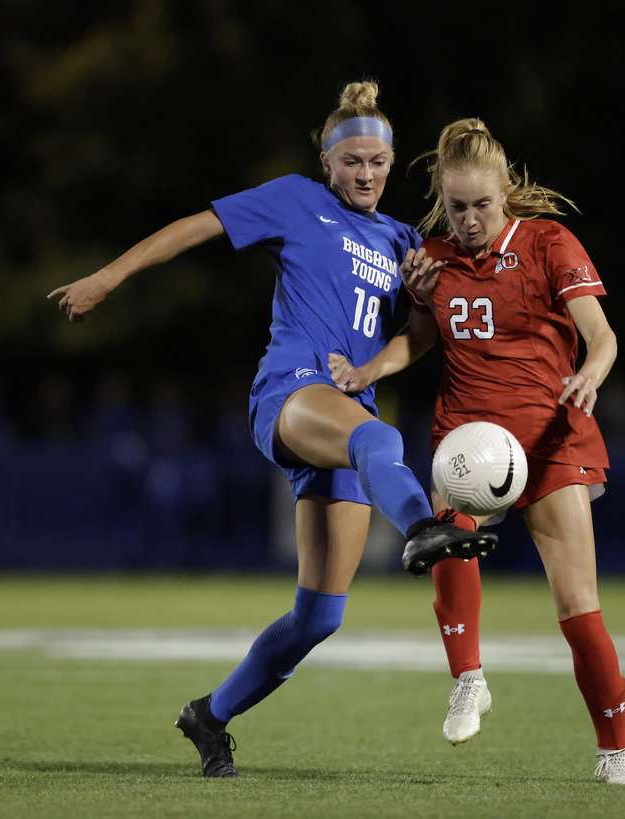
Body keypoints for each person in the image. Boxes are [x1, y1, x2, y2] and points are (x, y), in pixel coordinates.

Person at [47, 81, 497, 778]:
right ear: (327, 161)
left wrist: (414, 309)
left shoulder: (405, 241)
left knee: (319, 615)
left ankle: (209, 714)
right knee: (382, 441)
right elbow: (195, 228)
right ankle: (421, 529)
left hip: (346, 413)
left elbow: (421, 334)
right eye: (353, 161)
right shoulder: (296, 199)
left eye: (378, 162)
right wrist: (110, 276)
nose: (367, 173)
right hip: (292, 392)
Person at [327, 118, 625, 784]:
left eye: (482, 204)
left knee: (578, 607)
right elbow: (419, 339)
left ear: (505, 191)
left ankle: (614, 751)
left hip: (550, 439)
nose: (470, 219)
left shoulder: (550, 243)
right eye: (458, 206)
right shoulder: (432, 259)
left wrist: (591, 371)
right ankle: (468, 677)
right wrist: (369, 371)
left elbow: (603, 335)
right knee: (448, 530)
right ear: (444, 200)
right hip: (468, 435)